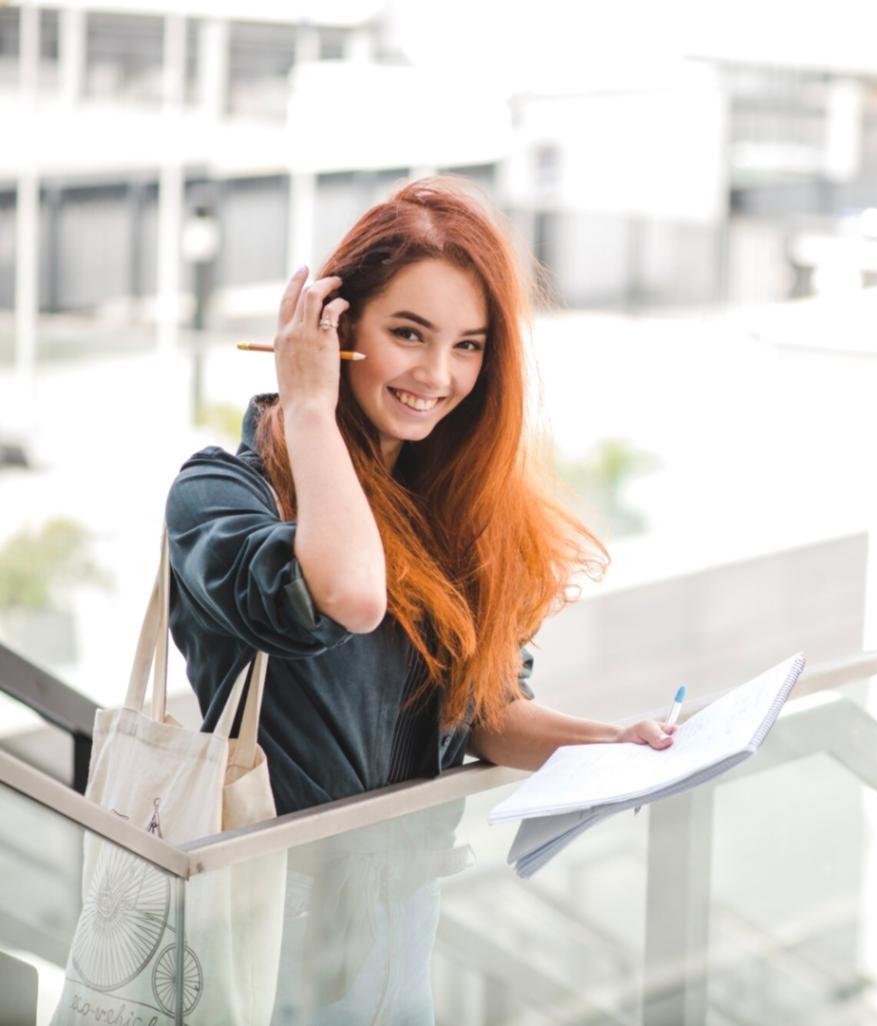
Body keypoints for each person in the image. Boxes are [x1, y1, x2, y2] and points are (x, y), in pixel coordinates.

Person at [163, 176, 674, 1022]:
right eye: (408, 333)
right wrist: (309, 407)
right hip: (262, 927)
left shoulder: (451, 510)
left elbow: (486, 715)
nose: (438, 375)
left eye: (468, 345)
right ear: (336, 328)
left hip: (400, 922)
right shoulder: (221, 495)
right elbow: (350, 595)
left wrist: (613, 744)